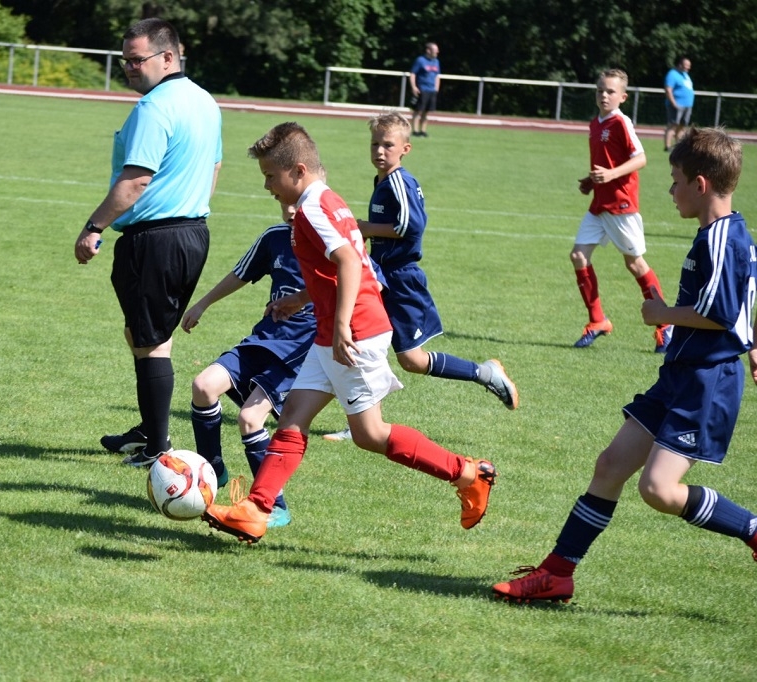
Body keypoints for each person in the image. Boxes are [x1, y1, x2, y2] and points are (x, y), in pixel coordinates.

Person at [493, 127, 757, 604]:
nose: (670, 190)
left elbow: (721, 314)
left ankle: (752, 529)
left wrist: (661, 314)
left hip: (707, 382)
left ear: (700, 185)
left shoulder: (722, 237)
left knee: (658, 489)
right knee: (610, 465)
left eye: (676, 181)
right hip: (680, 374)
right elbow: (739, 303)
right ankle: (557, 573)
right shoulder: (723, 233)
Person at [201, 122, 497, 544]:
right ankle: (257, 509)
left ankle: (468, 473)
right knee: (293, 416)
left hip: (353, 331)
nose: (267, 186)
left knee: (370, 435)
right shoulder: (329, 200)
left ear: (298, 170)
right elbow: (337, 266)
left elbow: (349, 262)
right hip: (335, 329)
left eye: (270, 176)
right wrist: (301, 299)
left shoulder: (311, 210)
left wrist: (341, 327)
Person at [75, 18, 222, 468]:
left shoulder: (154, 107)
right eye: (125, 60)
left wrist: (94, 226)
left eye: (137, 59)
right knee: (144, 333)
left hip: (155, 239)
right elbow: (214, 167)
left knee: (152, 342)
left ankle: (158, 446)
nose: (129, 67)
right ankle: (149, 425)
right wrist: (189, 206)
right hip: (192, 233)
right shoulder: (205, 101)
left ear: (168, 57)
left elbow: (136, 180)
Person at [321, 112, 517, 443]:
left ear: (405, 149)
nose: (379, 151)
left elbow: (410, 226)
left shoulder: (400, 182)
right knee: (365, 344)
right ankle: (361, 424)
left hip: (400, 278)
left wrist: (365, 228)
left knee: (411, 359)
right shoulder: (382, 181)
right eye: (374, 144)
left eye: (388, 145)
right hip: (379, 275)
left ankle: (485, 373)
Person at [181, 202, 317, 529]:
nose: (290, 209)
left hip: (300, 349)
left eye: (298, 202)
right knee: (203, 386)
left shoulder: (331, 242)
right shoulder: (274, 237)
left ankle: (275, 506)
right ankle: (213, 469)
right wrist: (202, 304)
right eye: (284, 201)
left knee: (249, 418)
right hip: (265, 337)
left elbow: (361, 284)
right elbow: (240, 274)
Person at [570, 68, 671, 352]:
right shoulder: (595, 123)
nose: (604, 95)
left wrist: (610, 175)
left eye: (610, 91)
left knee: (635, 264)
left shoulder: (621, 122)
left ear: (623, 97)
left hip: (621, 203)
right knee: (578, 256)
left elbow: (641, 158)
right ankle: (597, 321)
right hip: (599, 204)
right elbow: (605, 162)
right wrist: (591, 181)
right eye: (600, 90)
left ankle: (666, 324)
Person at [408, 42, 441, 137]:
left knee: (426, 111)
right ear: (428, 50)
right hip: (422, 89)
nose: (437, 52)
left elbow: (437, 76)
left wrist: (436, 88)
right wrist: (414, 87)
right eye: (435, 50)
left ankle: (423, 130)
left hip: (432, 90)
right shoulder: (420, 60)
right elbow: (413, 74)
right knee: (418, 110)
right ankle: (415, 130)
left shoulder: (436, 61)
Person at [664, 57, 694, 152]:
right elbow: (668, 90)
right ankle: (668, 146)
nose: (688, 68)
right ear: (680, 65)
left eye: (689, 66)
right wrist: (673, 103)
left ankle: (679, 146)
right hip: (676, 105)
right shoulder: (672, 74)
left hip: (687, 105)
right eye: (686, 65)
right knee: (673, 125)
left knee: (682, 126)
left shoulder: (685, 75)